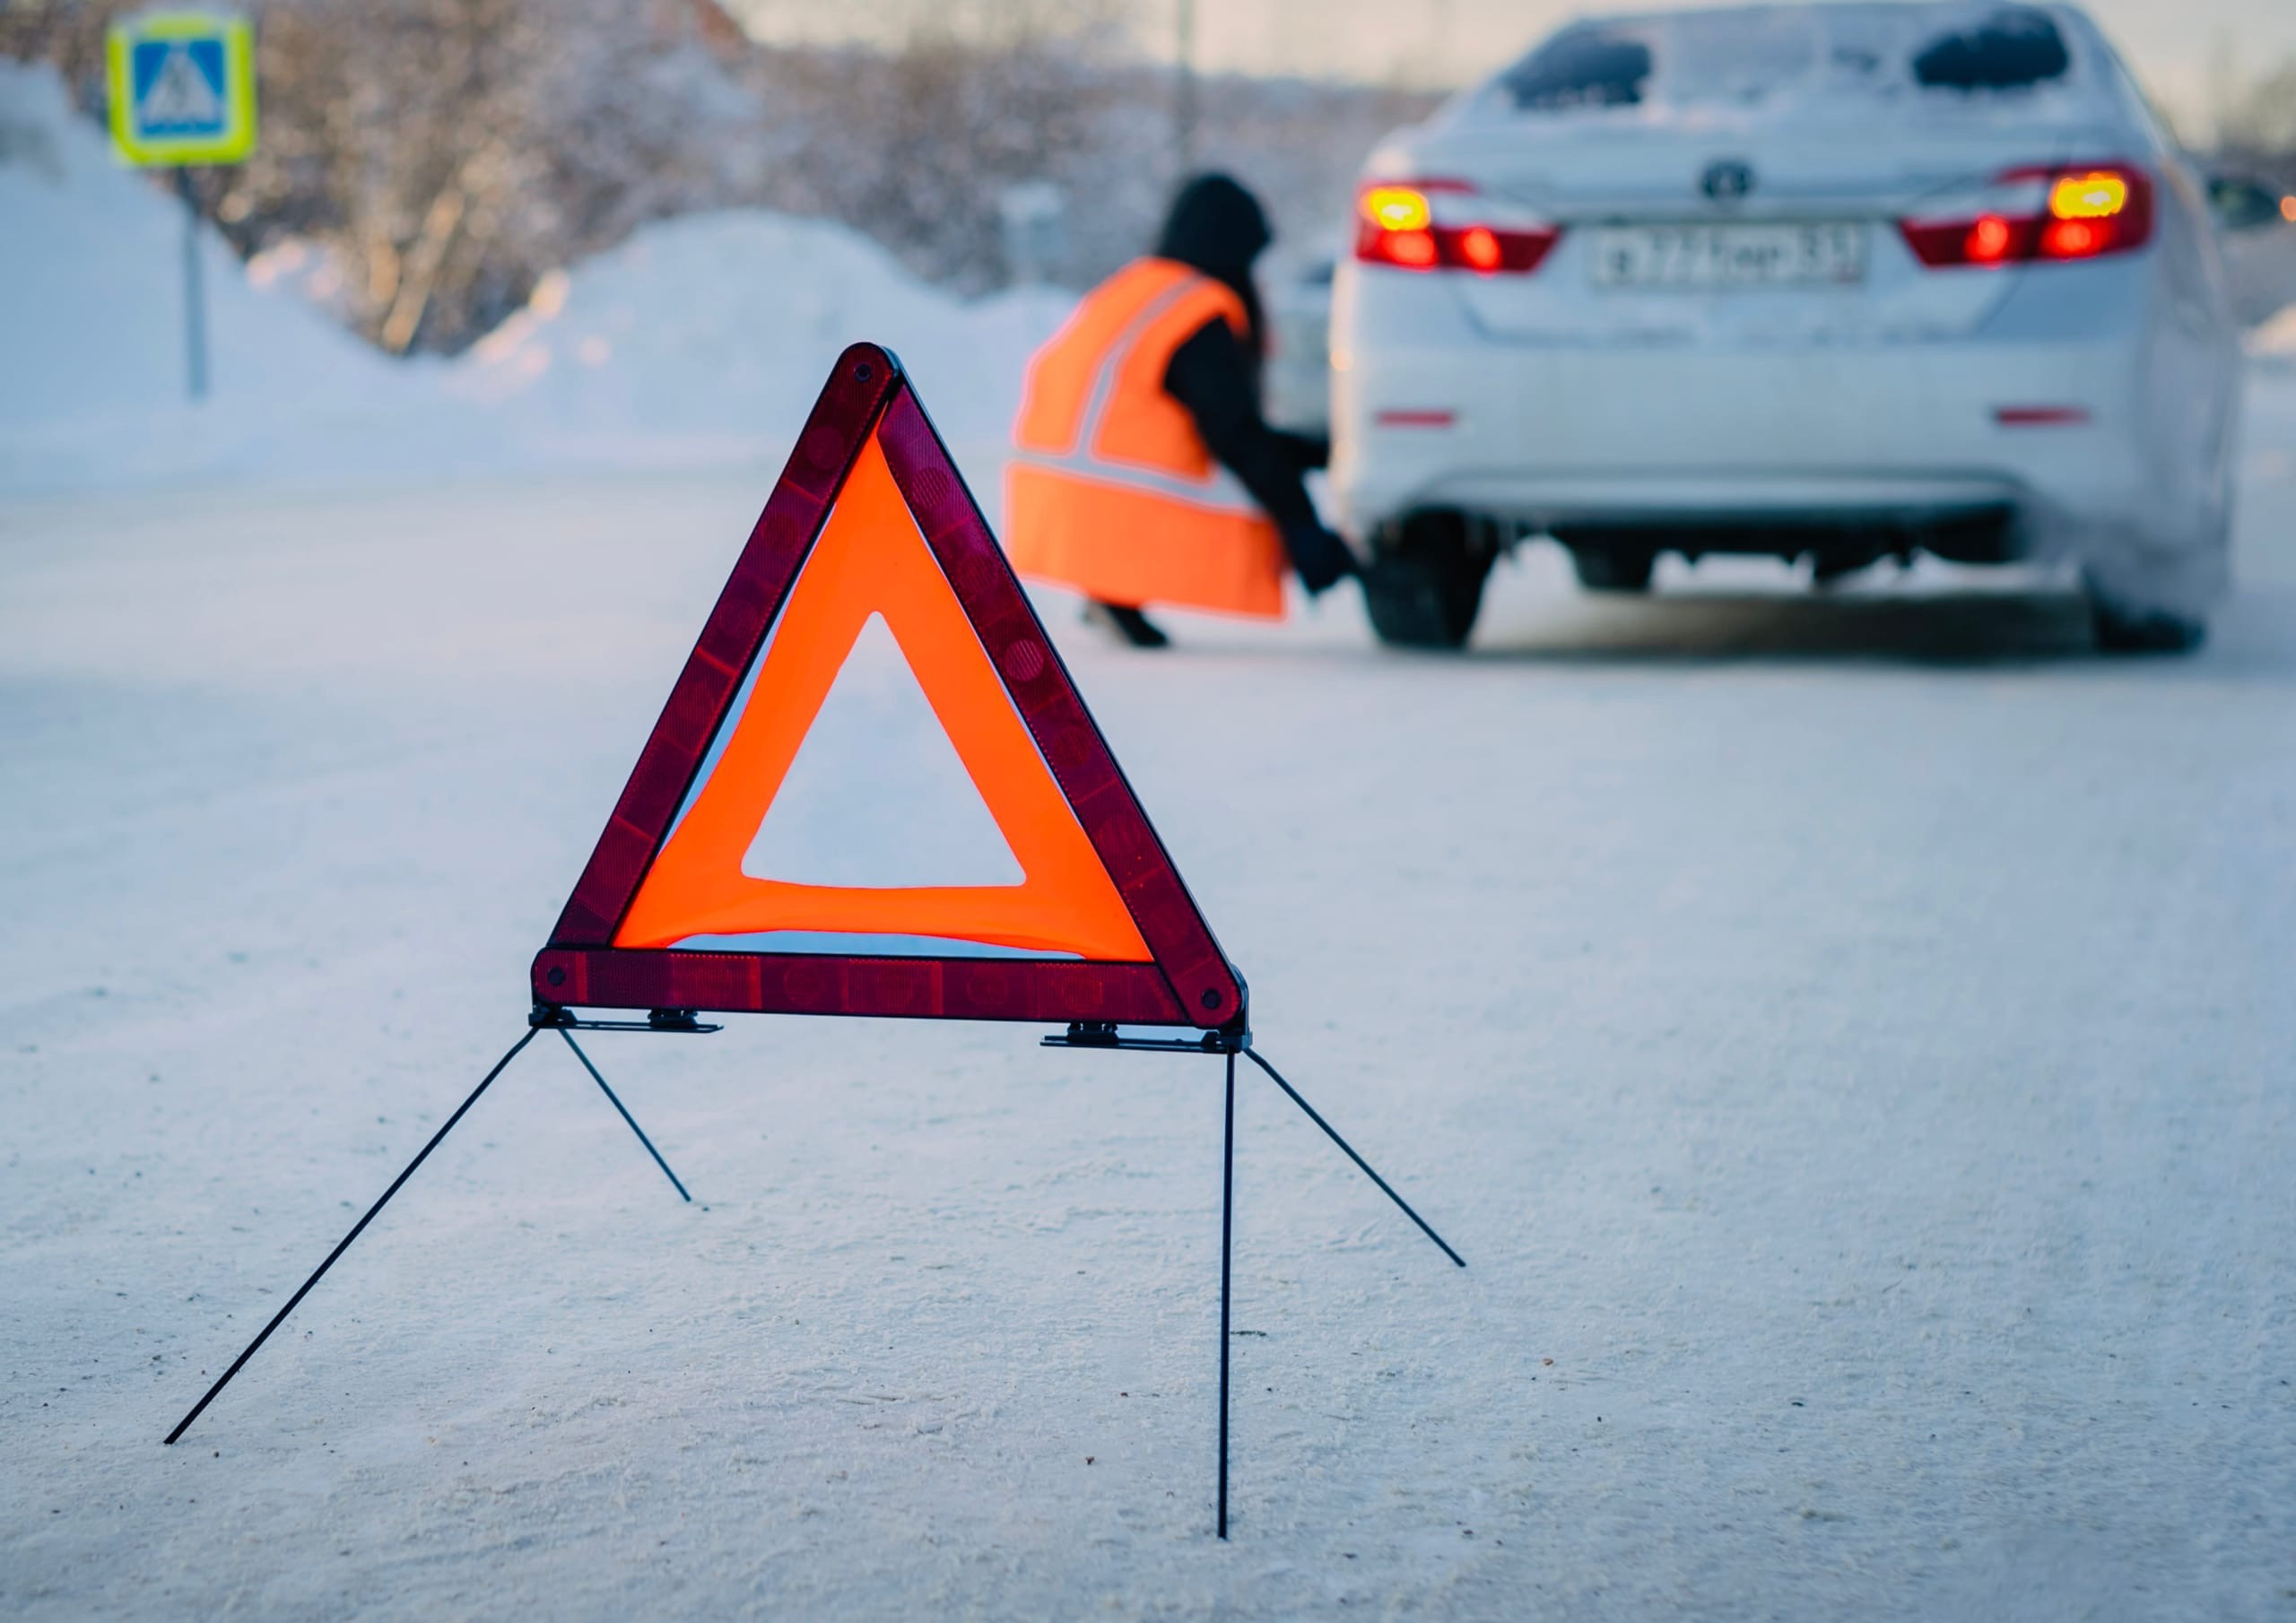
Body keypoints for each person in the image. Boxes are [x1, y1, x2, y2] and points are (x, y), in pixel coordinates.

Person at [1005, 173, 1357, 647]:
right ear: (1234, 249)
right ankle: (1115, 586)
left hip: (1054, 511)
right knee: (1247, 469)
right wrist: (1302, 524)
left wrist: (1309, 453)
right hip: (1115, 509)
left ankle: (1111, 589)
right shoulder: (1195, 315)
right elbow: (1236, 435)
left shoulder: (1131, 290)